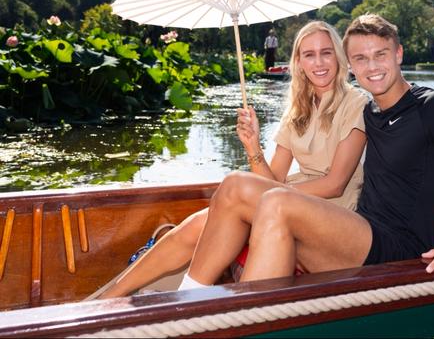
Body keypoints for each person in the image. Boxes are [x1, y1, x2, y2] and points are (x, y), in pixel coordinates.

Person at [179, 13, 434, 295]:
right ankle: (190, 303)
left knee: (276, 202)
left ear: (399, 54)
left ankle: (211, 313)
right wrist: (255, 144)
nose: (372, 67)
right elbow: (322, 120)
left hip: (400, 249)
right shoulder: (369, 112)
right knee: (243, 193)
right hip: (359, 233)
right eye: (360, 58)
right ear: (351, 65)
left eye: (380, 55)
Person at [96, 21, 367, 298]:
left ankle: (188, 298)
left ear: (339, 56)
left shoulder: (356, 103)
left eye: (326, 52)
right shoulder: (297, 111)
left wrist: (271, 196)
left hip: (335, 218)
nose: (319, 62)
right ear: (298, 62)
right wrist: (252, 146)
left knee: (236, 185)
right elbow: (270, 181)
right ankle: (111, 297)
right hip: (287, 206)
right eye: (309, 54)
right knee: (200, 223)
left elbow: (336, 184)